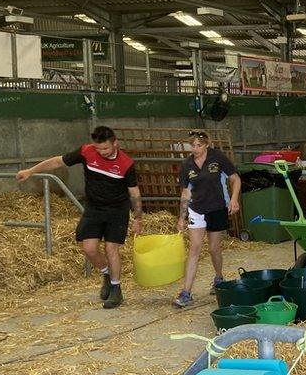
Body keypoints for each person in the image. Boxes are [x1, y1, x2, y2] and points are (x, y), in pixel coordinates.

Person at [16, 126, 143, 308]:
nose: (102, 153)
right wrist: (30, 171)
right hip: (93, 208)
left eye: (106, 149)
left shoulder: (126, 163)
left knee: (110, 248)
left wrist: (138, 218)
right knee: (89, 248)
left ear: (116, 143)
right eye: (98, 149)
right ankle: (106, 274)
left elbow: (135, 193)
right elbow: (57, 162)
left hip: (116, 210)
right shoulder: (86, 152)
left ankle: (116, 290)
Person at [173, 130, 241, 308]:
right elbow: (185, 192)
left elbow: (235, 179)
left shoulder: (217, 158)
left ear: (206, 144)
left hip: (217, 207)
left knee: (213, 248)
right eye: (193, 145)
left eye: (199, 145)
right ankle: (186, 292)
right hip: (197, 209)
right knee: (194, 250)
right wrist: (182, 216)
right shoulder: (187, 165)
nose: (195, 149)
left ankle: (218, 277)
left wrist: (234, 199)